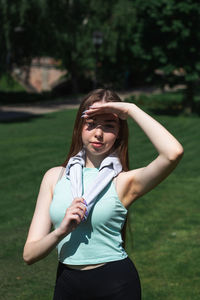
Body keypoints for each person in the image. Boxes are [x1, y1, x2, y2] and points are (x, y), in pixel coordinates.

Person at [23, 89, 184, 300]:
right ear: (80, 127)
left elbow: (173, 153)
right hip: (66, 283)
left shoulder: (123, 181)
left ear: (119, 133)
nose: (98, 133)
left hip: (115, 284)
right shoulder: (54, 177)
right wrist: (60, 231)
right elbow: (29, 254)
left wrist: (130, 109)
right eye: (91, 123)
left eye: (109, 126)